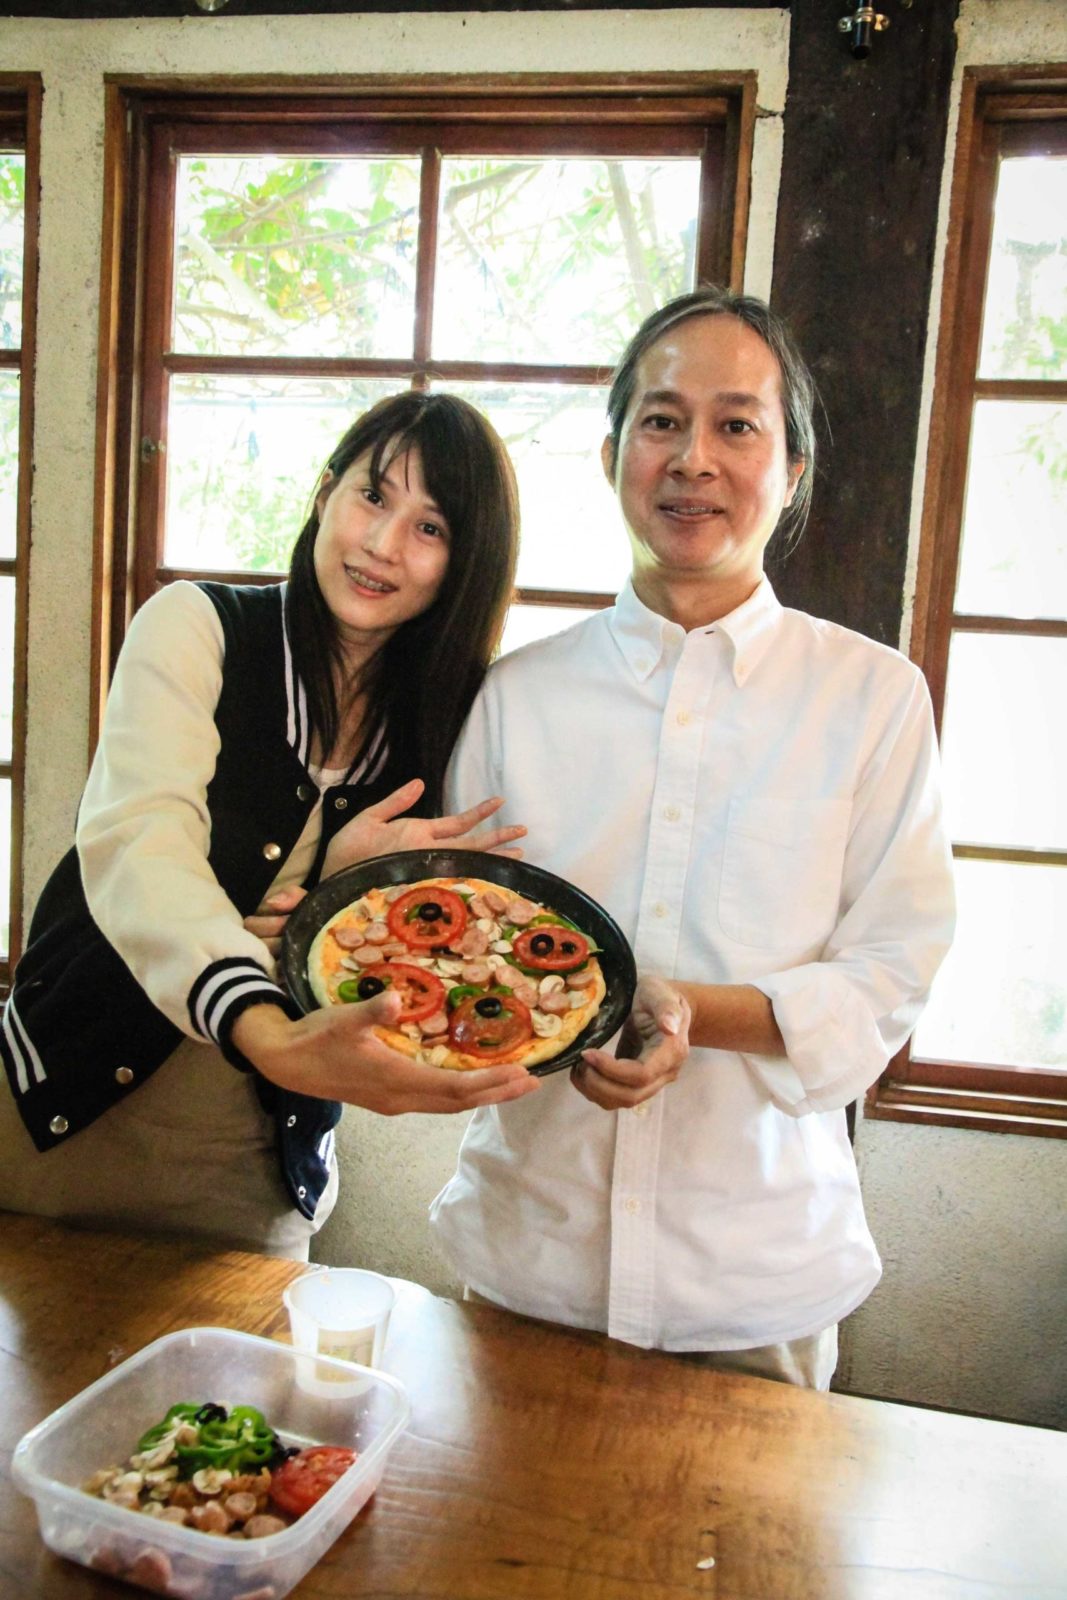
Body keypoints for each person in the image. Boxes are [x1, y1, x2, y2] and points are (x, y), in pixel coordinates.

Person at [429, 287, 955, 1389]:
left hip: (755, 1281)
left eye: (736, 424)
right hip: (528, 1263)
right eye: (661, 421)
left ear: (791, 468)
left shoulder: (871, 697)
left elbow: (889, 971)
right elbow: (455, 943)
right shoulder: (517, 696)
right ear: (614, 449)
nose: (692, 459)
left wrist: (684, 1012)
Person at [0, 391, 539, 1259]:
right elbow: (142, 849)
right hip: (64, 1115)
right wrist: (269, 1024)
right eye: (372, 496)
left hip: (256, 1165)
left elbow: (412, 952)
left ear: (464, 562)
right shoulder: (194, 628)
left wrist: (331, 896)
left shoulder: (448, 721)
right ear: (323, 494)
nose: (381, 543)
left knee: (235, 1392)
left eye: (430, 527)